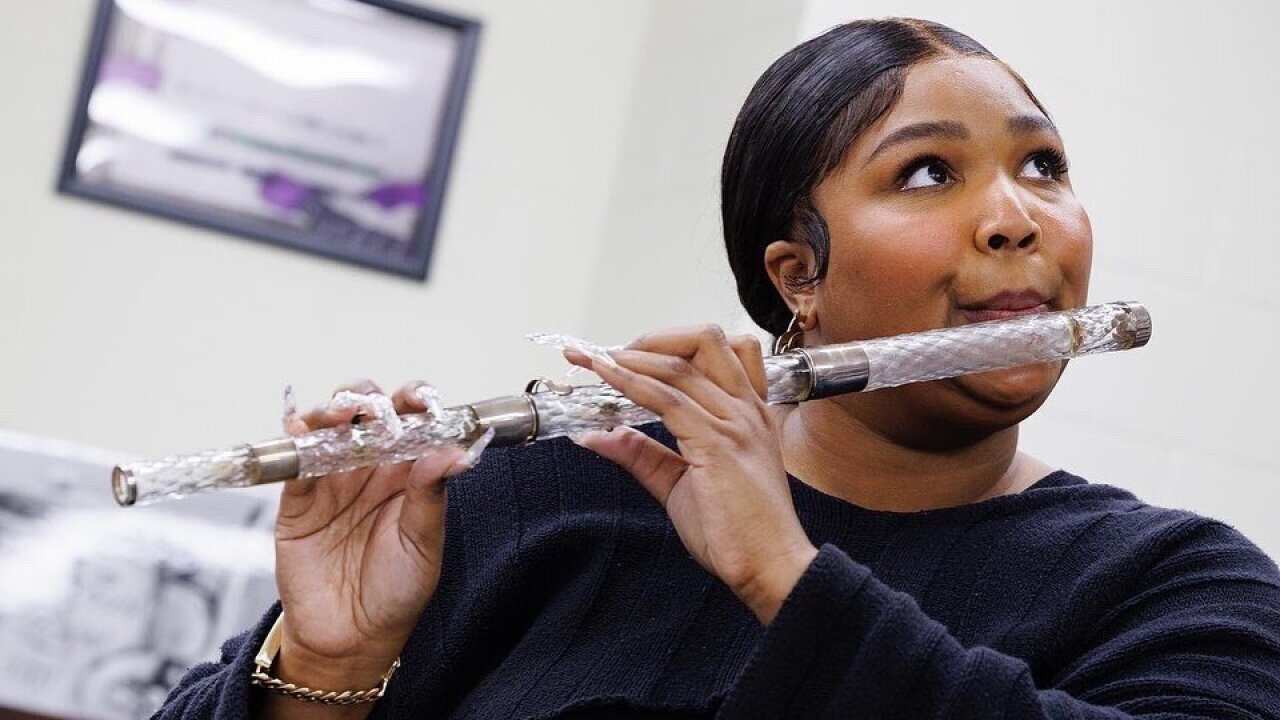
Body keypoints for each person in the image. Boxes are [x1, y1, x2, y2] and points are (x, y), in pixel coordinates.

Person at [154, 18, 1280, 720]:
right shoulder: (526, 503)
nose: (1014, 218)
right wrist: (328, 667)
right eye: (929, 173)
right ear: (796, 275)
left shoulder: (1175, 590)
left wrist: (785, 579)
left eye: (1042, 164)